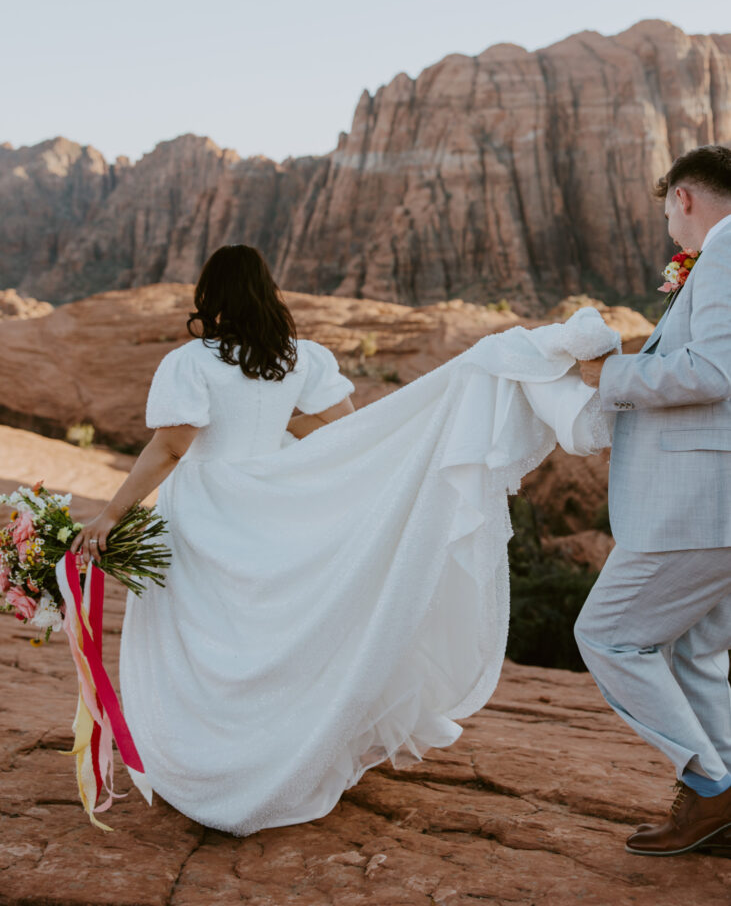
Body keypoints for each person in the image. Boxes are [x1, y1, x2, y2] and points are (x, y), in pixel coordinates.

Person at [72, 243, 619, 836]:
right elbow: (343, 430)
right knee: (271, 630)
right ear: (267, 292)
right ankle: (275, 753)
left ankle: (210, 763)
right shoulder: (298, 358)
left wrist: (111, 515)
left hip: (209, 508)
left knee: (205, 632)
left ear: (210, 297)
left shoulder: (191, 362)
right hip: (272, 504)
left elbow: (174, 446)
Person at [576, 144, 731, 857]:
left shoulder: (727, 244)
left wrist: (611, 375)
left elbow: (710, 370)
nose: (669, 219)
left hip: (697, 501)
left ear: (684, 198)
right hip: (713, 502)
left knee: (607, 635)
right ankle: (721, 801)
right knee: (695, 653)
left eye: (668, 204)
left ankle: (707, 785)